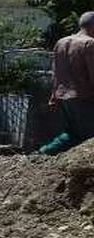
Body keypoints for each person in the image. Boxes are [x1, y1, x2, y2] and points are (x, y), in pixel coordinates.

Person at [41, 12, 94, 154]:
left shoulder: (61, 42)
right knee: (89, 136)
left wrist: (53, 97)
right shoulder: (90, 43)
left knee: (73, 133)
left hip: (64, 97)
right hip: (85, 97)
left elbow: (56, 72)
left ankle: (43, 153)